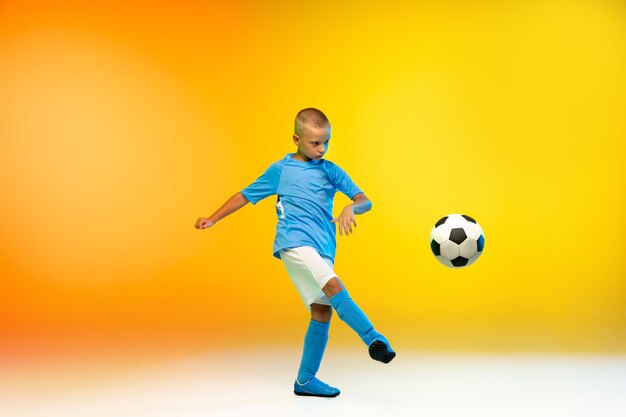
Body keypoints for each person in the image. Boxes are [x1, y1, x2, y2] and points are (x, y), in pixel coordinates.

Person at [195, 108, 395, 398]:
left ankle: (305, 380)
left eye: (326, 142)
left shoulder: (331, 170)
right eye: (315, 143)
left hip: (323, 248)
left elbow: (366, 201)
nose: (322, 148)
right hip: (294, 243)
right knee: (334, 285)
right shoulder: (281, 170)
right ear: (296, 139)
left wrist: (351, 206)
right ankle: (373, 338)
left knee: (322, 309)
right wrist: (213, 218)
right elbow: (245, 195)